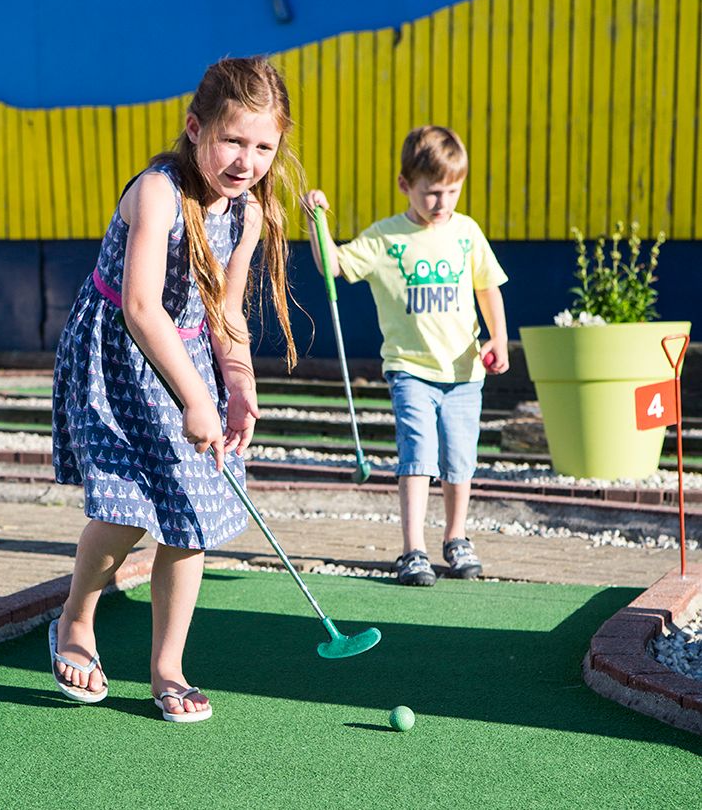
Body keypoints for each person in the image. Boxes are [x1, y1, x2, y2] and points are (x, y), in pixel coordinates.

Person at [51, 57, 303, 721]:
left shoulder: (248, 213)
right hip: (118, 354)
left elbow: (225, 310)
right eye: (233, 140)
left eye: (263, 146)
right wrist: (197, 398)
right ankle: (77, 616)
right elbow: (140, 305)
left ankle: (168, 666)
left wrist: (238, 385)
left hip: (186, 355)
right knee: (125, 510)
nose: (246, 159)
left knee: (190, 516)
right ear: (196, 129)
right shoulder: (159, 190)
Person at [301, 125, 509, 587]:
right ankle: (412, 548)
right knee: (418, 455)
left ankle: (456, 538)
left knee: (459, 460)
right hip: (410, 369)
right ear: (404, 185)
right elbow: (332, 266)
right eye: (432, 193)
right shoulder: (385, 238)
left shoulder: (466, 232)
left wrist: (498, 337)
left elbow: (486, 285)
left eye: (452, 191)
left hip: (463, 369)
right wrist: (319, 224)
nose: (443, 203)